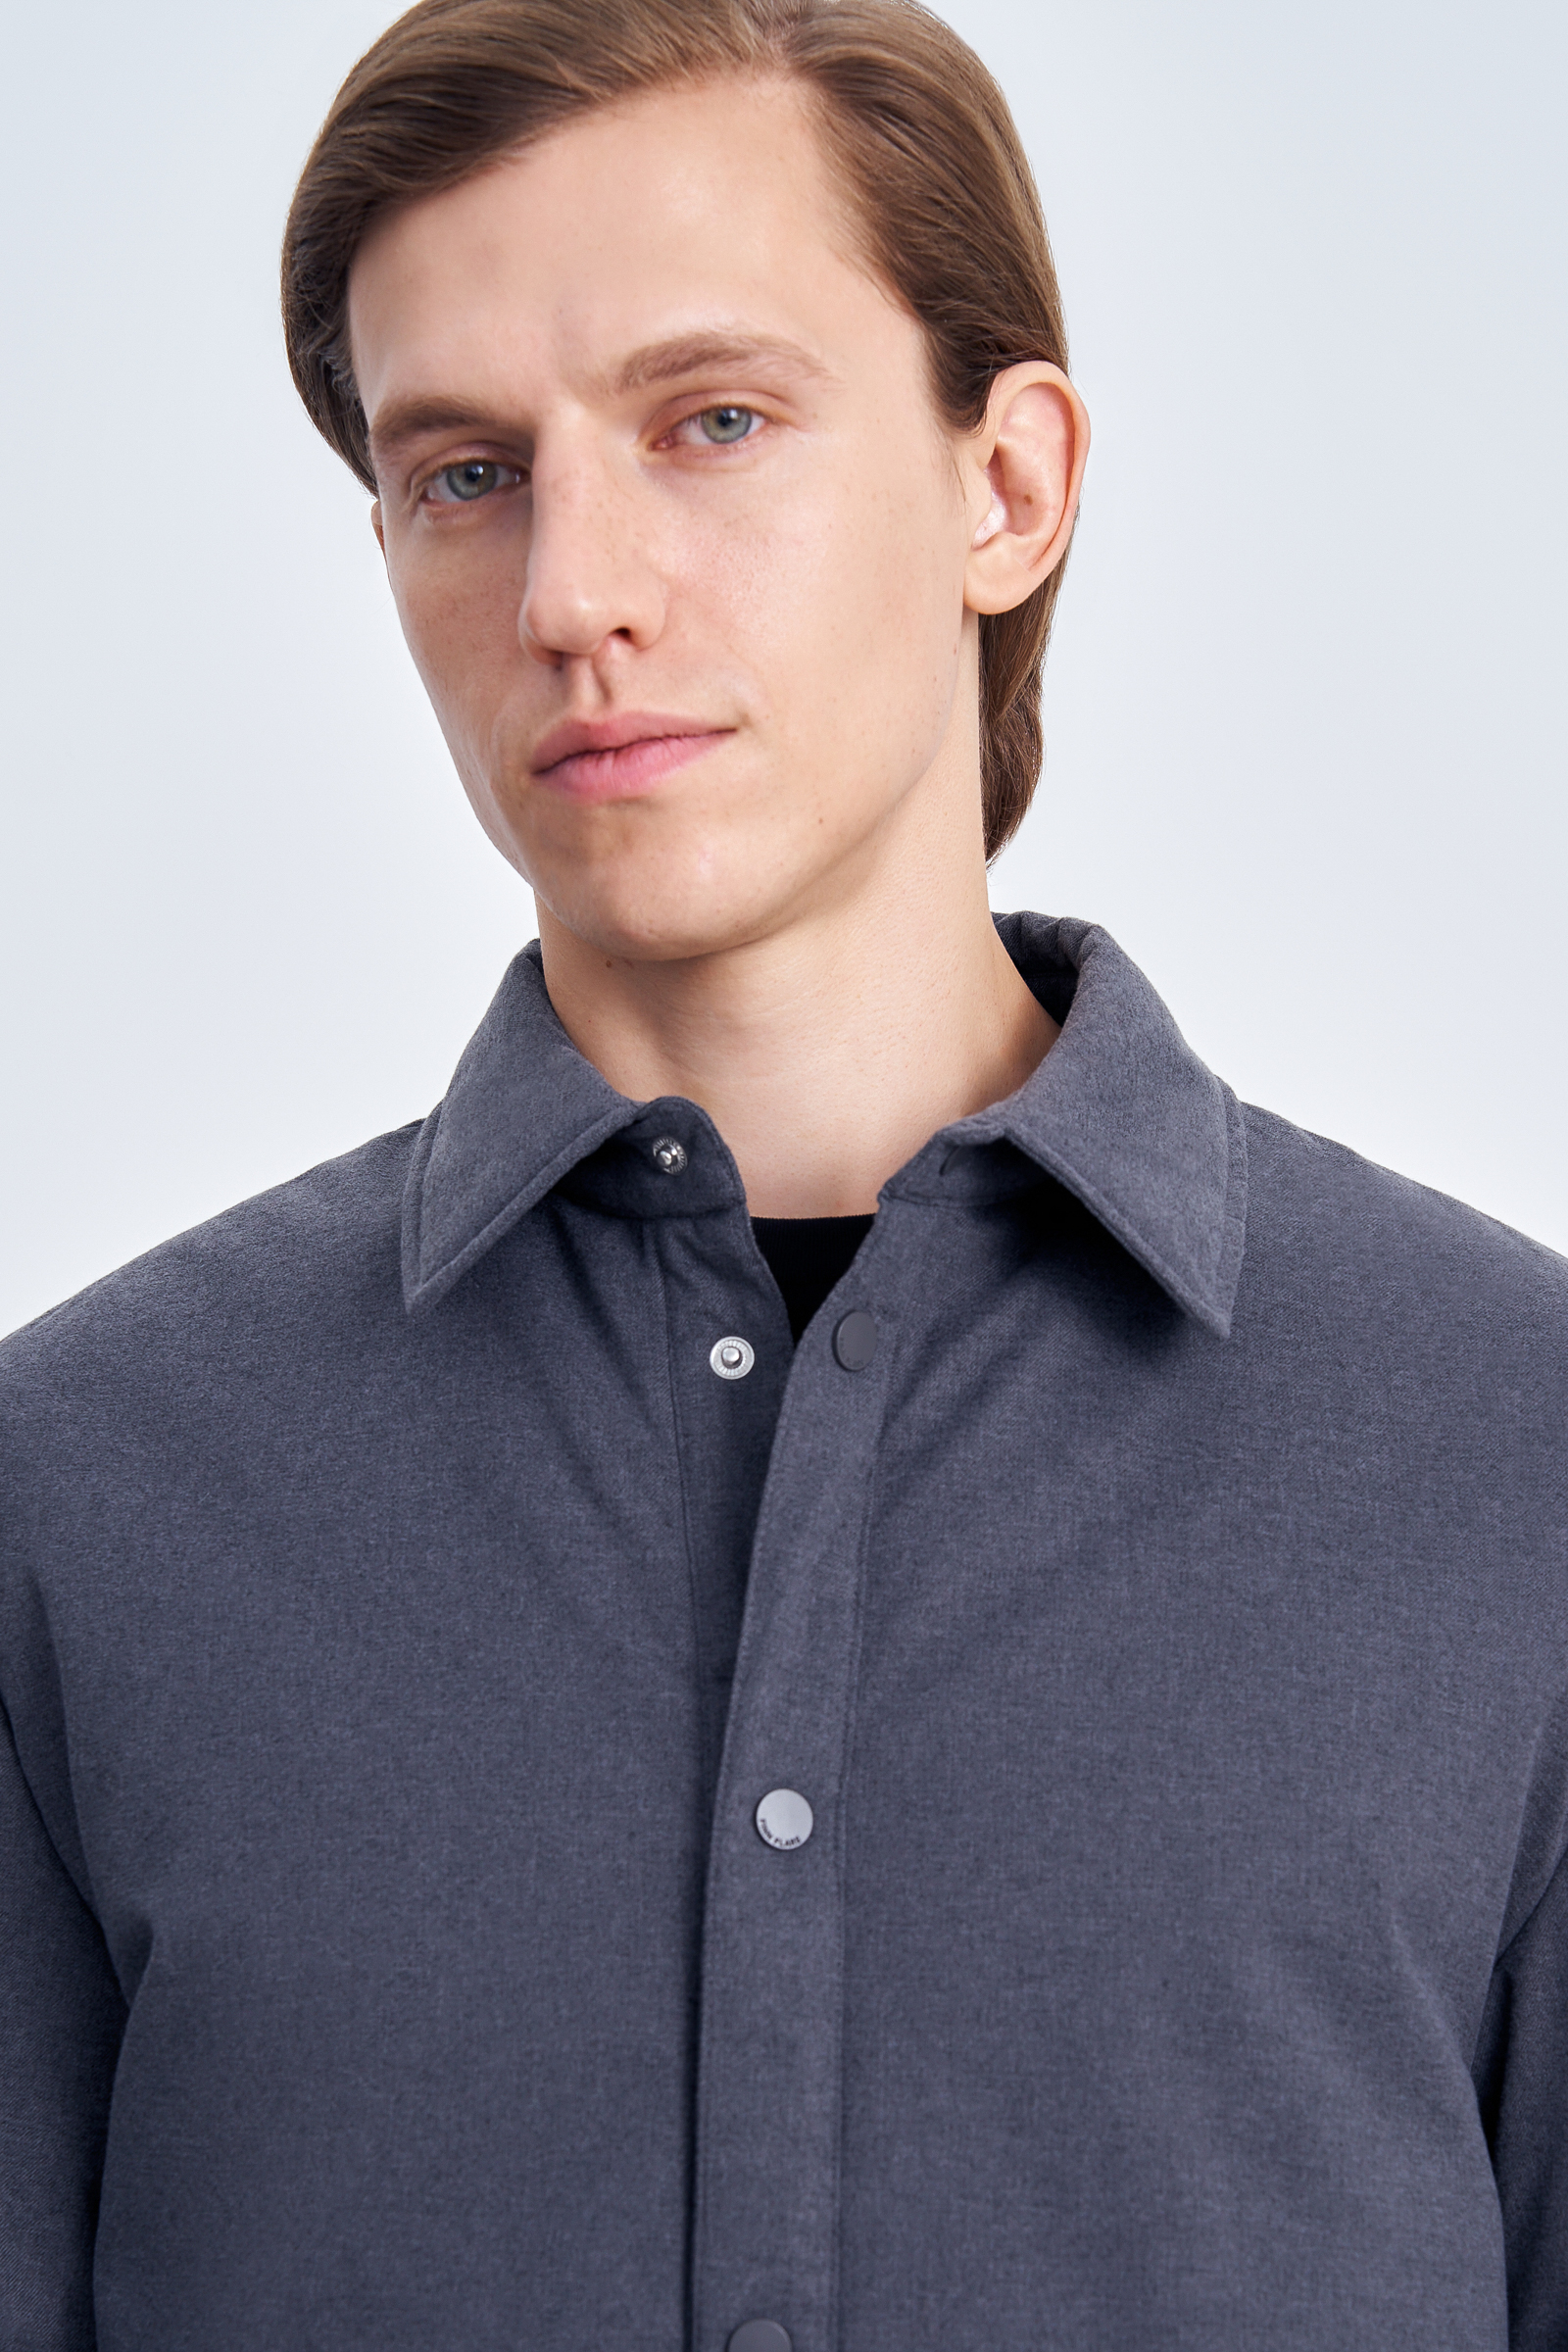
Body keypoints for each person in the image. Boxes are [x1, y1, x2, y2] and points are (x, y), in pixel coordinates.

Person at [1, 0, 1564, 2344]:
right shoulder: (75, 1502)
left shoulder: (1511, 1463)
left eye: (710, 421)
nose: (571, 592)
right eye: (464, 473)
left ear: (1004, 486)